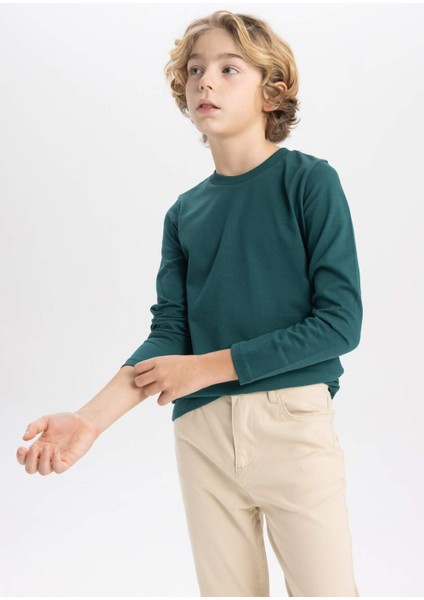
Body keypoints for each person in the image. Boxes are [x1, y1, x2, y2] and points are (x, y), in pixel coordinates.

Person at [16, 10, 363, 597]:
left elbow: (339, 324)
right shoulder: (183, 213)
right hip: (200, 433)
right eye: (196, 70)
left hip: (291, 424)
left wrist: (205, 368)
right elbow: (169, 334)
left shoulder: (309, 182)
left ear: (272, 91)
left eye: (230, 69)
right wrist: (89, 420)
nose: (206, 81)